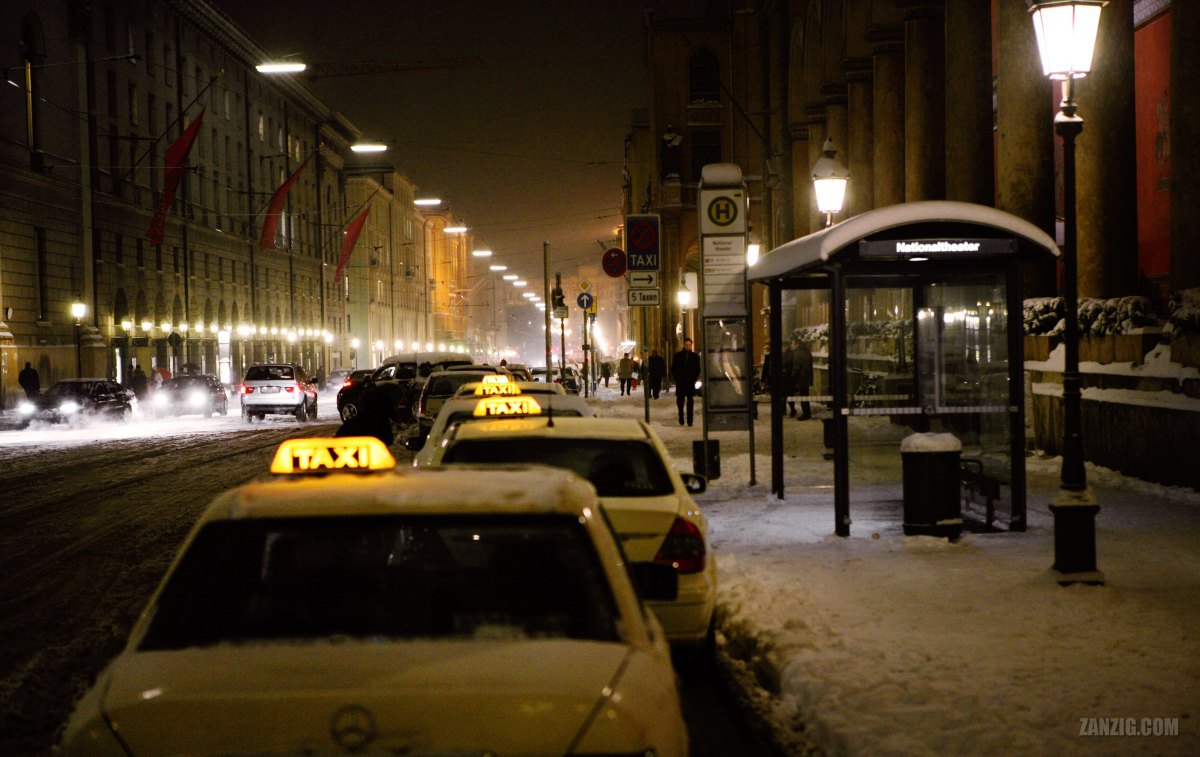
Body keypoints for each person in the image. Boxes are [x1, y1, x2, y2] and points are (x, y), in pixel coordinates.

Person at [671, 337, 701, 426]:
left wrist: (693, 379)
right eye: (686, 345)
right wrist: (677, 378)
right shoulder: (677, 356)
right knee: (680, 402)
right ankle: (681, 417)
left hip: (689, 382)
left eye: (689, 345)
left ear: (691, 345)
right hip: (681, 382)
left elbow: (697, 370)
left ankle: (690, 420)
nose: (688, 346)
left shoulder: (695, 357)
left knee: (690, 402)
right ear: (684, 345)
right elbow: (673, 368)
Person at [791, 338, 814, 420]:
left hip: (802, 378)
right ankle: (807, 413)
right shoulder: (807, 351)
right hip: (807, 378)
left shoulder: (798, 353)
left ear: (797, 345)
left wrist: (792, 377)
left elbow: (796, 367)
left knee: (803, 396)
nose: (792, 345)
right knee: (805, 396)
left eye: (793, 344)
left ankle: (806, 414)